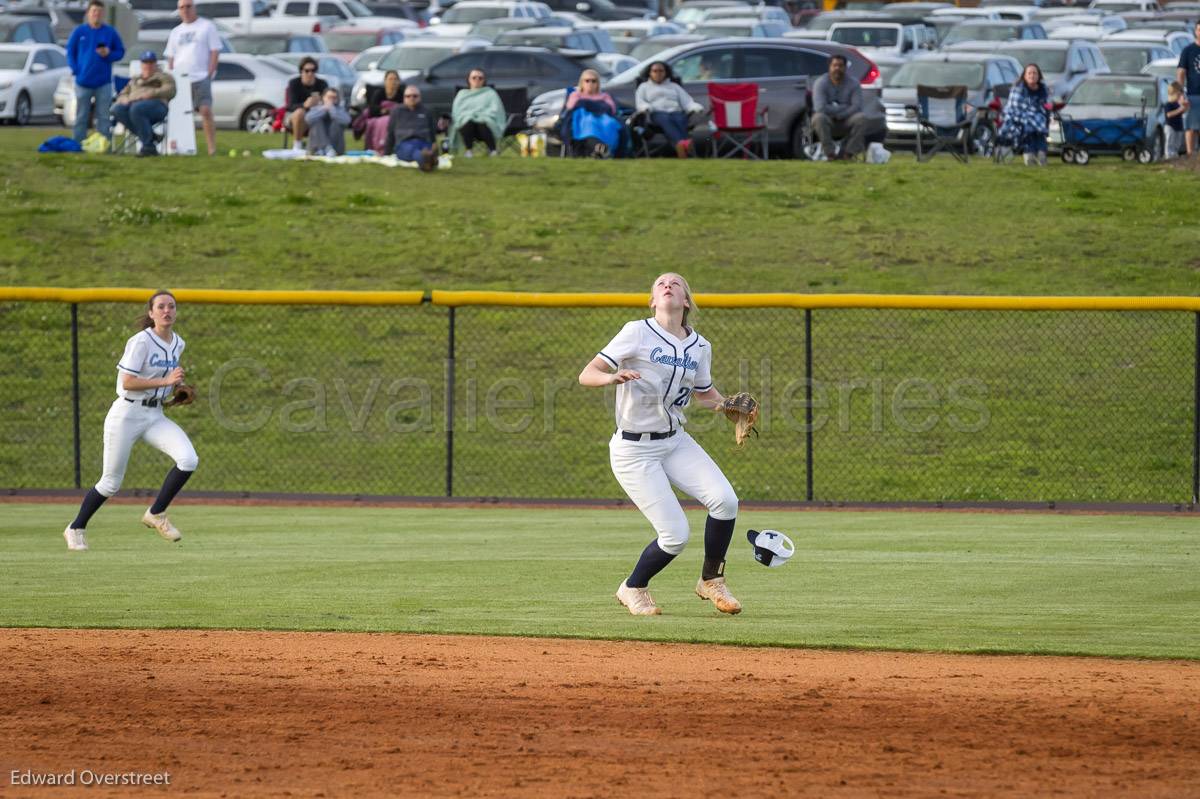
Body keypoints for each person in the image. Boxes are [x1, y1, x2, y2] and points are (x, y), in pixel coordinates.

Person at [578, 273, 744, 617]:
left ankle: (711, 579)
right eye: (659, 284)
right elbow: (587, 373)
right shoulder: (636, 331)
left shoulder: (700, 346)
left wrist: (729, 404)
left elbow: (703, 394)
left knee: (725, 501)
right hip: (633, 451)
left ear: (686, 301)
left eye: (676, 283)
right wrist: (611, 377)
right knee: (675, 535)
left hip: (675, 442)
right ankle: (633, 587)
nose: (667, 285)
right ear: (653, 300)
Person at [62, 291, 198, 552]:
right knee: (110, 482)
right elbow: (128, 382)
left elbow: (166, 378)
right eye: (161, 307)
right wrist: (166, 382)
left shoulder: (178, 343)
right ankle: (76, 527)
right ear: (151, 313)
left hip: (154, 414)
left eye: (171, 306)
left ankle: (156, 513)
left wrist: (177, 387)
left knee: (189, 459)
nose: (167, 311)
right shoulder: (140, 342)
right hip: (126, 414)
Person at [165, 0, 221, 156]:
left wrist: (209, 73)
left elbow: (215, 51)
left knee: (205, 110)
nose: (185, 10)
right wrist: (171, 75)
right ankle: (179, 147)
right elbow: (171, 57)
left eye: (188, 6)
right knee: (180, 114)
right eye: (182, 7)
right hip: (180, 79)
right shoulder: (176, 32)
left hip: (200, 76)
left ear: (194, 7)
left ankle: (212, 149)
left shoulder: (206, 27)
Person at [65, 0, 125, 143]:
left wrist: (109, 54)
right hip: (83, 81)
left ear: (103, 14)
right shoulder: (79, 32)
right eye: (94, 11)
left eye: (99, 12)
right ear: (88, 13)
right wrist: (76, 70)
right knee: (81, 116)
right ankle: (78, 143)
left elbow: (121, 52)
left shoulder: (110, 32)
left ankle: (103, 144)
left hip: (103, 82)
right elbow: (70, 52)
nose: (96, 14)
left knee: (103, 116)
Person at [111, 51, 176, 157]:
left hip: (157, 106)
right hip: (134, 106)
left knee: (136, 109)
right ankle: (151, 138)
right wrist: (125, 99)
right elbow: (123, 94)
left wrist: (150, 94)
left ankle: (147, 146)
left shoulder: (164, 77)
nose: (148, 65)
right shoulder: (135, 80)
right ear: (142, 64)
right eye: (146, 62)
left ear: (155, 63)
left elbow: (170, 90)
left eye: (151, 62)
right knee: (116, 109)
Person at [635, 61, 704, 158]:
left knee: (680, 118)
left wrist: (694, 107)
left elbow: (687, 101)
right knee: (665, 119)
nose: (658, 73)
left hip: (675, 112)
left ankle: (681, 146)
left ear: (666, 72)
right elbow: (640, 102)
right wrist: (646, 107)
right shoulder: (644, 87)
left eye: (661, 71)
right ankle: (684, 144)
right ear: (650, 73)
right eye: (655, 71)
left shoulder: (674, 86)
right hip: (656, 113)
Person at [810, 54, 866, 161]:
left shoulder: (854, 83)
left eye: (840, 66)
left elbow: (856, 106)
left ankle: (848, 154)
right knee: (818, 117)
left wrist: (840, 114)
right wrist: (844, 107)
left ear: (845, 68)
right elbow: (820, 108)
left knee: (862, 118)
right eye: (834, 65)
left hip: (846, 120)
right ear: (829, 67)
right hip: (827, 119)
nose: (837, 68)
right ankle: (830, 154)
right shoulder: (820, 83)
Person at [563, 69, 623, 158]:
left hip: (603, 119)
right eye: (587, 81)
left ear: (597, 83)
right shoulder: (576, 95)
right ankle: (600, 148)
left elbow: (612, 109)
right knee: (589, 123)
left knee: (610, 123)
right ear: (582, 83)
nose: (590, 83)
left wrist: (589, 104)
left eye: (593, 81)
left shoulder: (604, 96)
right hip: (584, 119)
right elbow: (570, 107)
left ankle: (603, 149)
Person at [999, 63, 1049, 166]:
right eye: (1029, 73)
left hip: (1038, 117)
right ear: (1024, 76)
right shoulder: (1018, 89)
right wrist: (1031, 113)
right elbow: (1014, 107)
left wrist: (1046, 108)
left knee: (1038, 121)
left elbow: (1045, 105)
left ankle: (1040, 152)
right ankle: (1030, 153)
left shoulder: (1043, 89)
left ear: (1039, 76)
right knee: (1030, 124)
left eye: (1035, 73)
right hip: (1017, 116)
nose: (1032, 75)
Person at [447, 68, 506, 157]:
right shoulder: (462, 94)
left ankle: (493, 150)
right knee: (468, 121)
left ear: (484, 80)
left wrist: (479, 116)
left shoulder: (490, 93)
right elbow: (457, 111)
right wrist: (470, 115)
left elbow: (496, 110)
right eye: (474, 77)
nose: (477, 80)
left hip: (486, 123)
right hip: (466, 123)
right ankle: (469, 151)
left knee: (481, 123)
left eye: (480, 78)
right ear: (469, 79)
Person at [384, 85, 437, 171]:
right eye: (408, 96)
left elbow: (432, 130)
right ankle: (427, 160)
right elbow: (390, 133)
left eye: (415, 96)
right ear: (404, 98)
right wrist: (386, 153)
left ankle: (427, 160)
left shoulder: (427, 111)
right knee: (413, 150)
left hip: (423, 141)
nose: (411, 98)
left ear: (420, 97)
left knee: (423, 149)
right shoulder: (396, 111)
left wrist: (434, 143)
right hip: (404, 143)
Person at [286, 57, 329, 151]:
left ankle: (327, 147)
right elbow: (289, 106)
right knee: (300, 113)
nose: (310, 73)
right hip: (296, 116)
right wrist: (304, 105)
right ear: (301, 71)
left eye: (313, 70)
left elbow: (329, 101)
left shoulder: (322, 84)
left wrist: (321, 102)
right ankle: (297, 145)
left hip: (316, 114)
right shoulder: (294, 83)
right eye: (307, 70)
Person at [1176, 21, 1200, 157]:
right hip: (1193, 94)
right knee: (1191, 127)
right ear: (1195, 32)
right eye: (1199, 30)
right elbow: (1180, 73)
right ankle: (1190, 155)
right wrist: (1180, 93)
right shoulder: (1188, 51)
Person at [304, 87, 350, 155]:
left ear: (337, 99)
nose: (331, 100)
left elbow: (347, 121)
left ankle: (328, 148)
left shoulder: (341, 110)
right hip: (317, 147)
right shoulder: (316, 108)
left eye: (334, 98)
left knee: (337, 122)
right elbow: (308, 119)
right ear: (323, 97)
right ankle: (325, 148)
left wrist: (332, 110)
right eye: (329, 97)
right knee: (316, 121)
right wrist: (323, 109)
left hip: (336, 148)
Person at [1164, 81, 1186, 160]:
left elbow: (1182, 111)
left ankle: (1175, 154)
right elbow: (1169, 114)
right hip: (1170, 126)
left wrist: (1184, 107)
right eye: (1178, 95)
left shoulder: (1177, 104)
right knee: (1170, 141)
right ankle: (1169, 155)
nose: (1179, 97)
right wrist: (1180, 109)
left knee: (1177, 142)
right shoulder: (1168, 104)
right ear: (1172, 94)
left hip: (1178, 126)